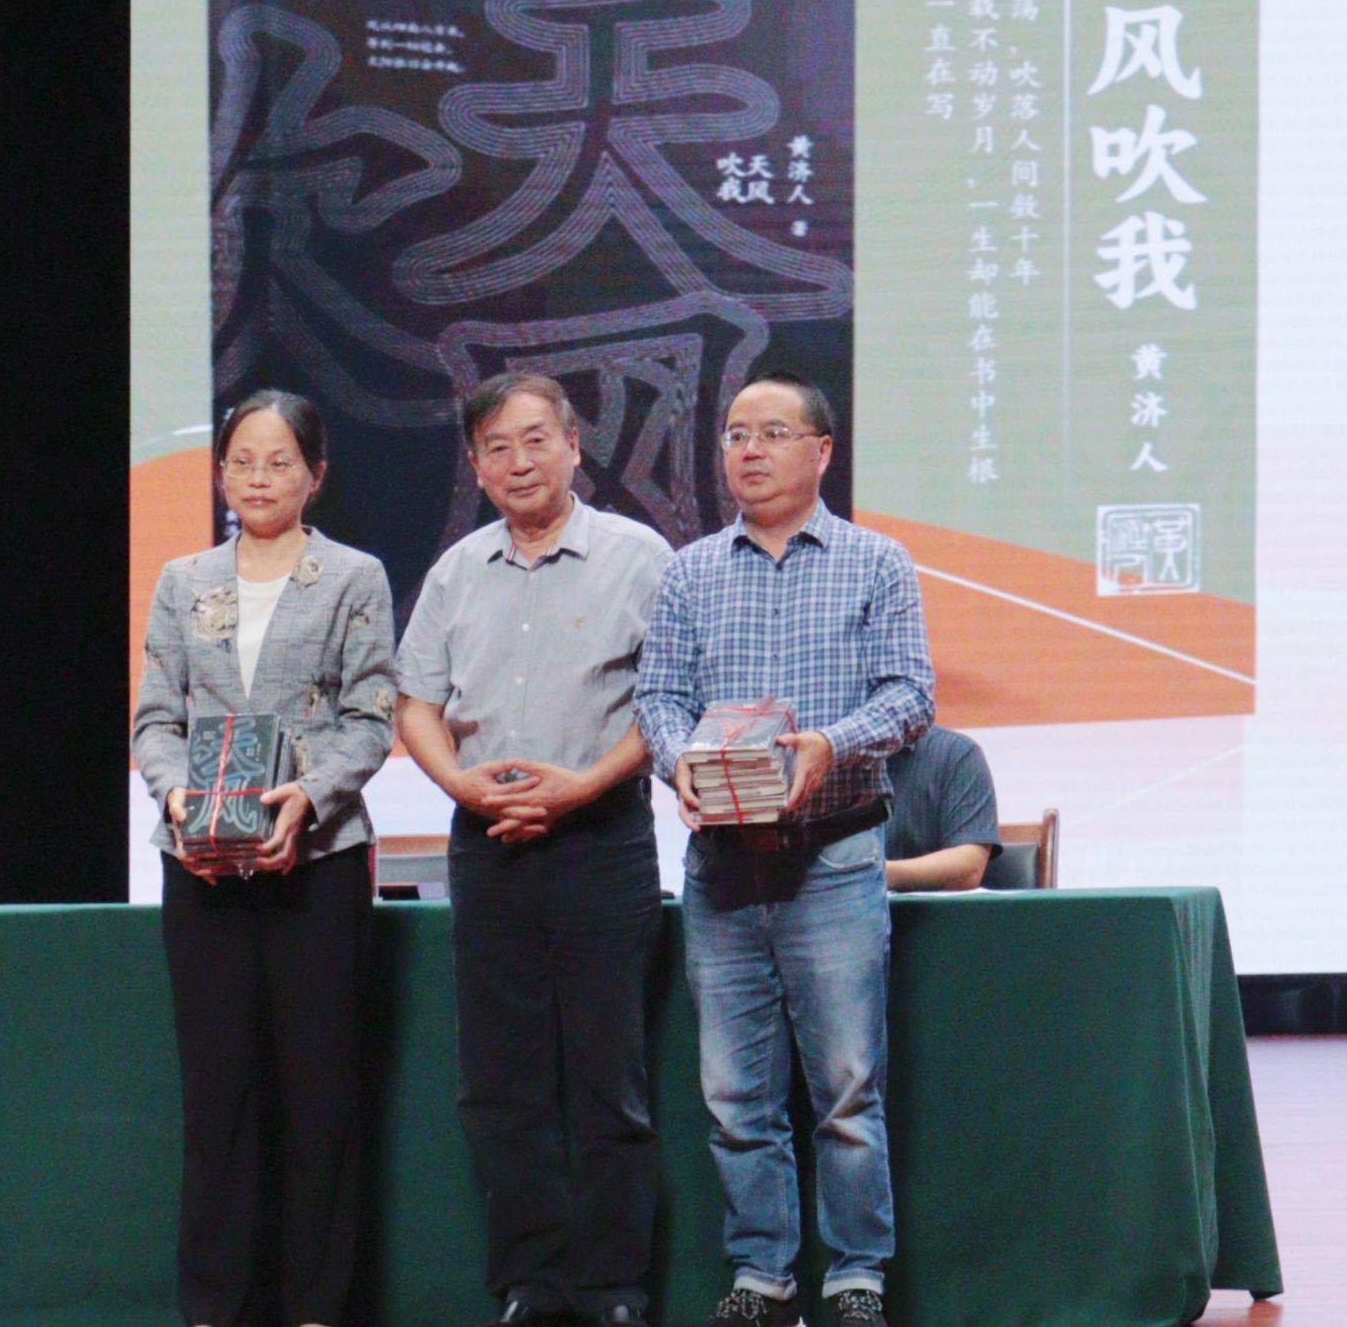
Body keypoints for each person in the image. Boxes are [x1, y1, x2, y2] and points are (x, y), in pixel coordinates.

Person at [635, 371, 934, 1327]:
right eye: (734, 434)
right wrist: (679, 762)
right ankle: (761, 1274)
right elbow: (657, 697)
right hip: (722, 865)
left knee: (846, 1088)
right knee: (734, 1094)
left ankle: (856, 1275)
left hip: (833, 855)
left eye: (772, 432)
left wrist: (828, 746)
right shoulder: (689, 571)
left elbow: (910, 694)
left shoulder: (876, 562)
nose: (749, 450)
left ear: (822, 450)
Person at [394, 373, 673, 1327]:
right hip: (487, 846)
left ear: (573, 446)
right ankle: (531, 1281)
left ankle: (614, 1285)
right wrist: (462, 786)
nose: (519, 463)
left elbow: (668, 703)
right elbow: (416, 703)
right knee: (499, 1082)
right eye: (497, 448)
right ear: (476, 466)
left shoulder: (640, 558)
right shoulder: (455, 571)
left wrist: (582, 786)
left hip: (603, 839)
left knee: (607, 1076)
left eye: (535, 440)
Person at [132, 390, 396, 1327]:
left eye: (280, 461)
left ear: (314, 474)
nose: (258, 477)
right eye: (242, 460)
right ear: (219, 474)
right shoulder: (182, 579)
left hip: (315, 865)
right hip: (201, 869)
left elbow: (371, 716)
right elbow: (154, 719)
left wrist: (307, 798)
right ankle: (214, 1306)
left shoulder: (355, 577)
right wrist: (177, 799)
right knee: (218, 1097)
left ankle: (316, 1307)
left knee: (321, 1096)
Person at [882, 725, 1003, 892]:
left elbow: (969, 867)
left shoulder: (955, 753)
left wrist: (871, 874)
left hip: (924, 906)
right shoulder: (844, 758)